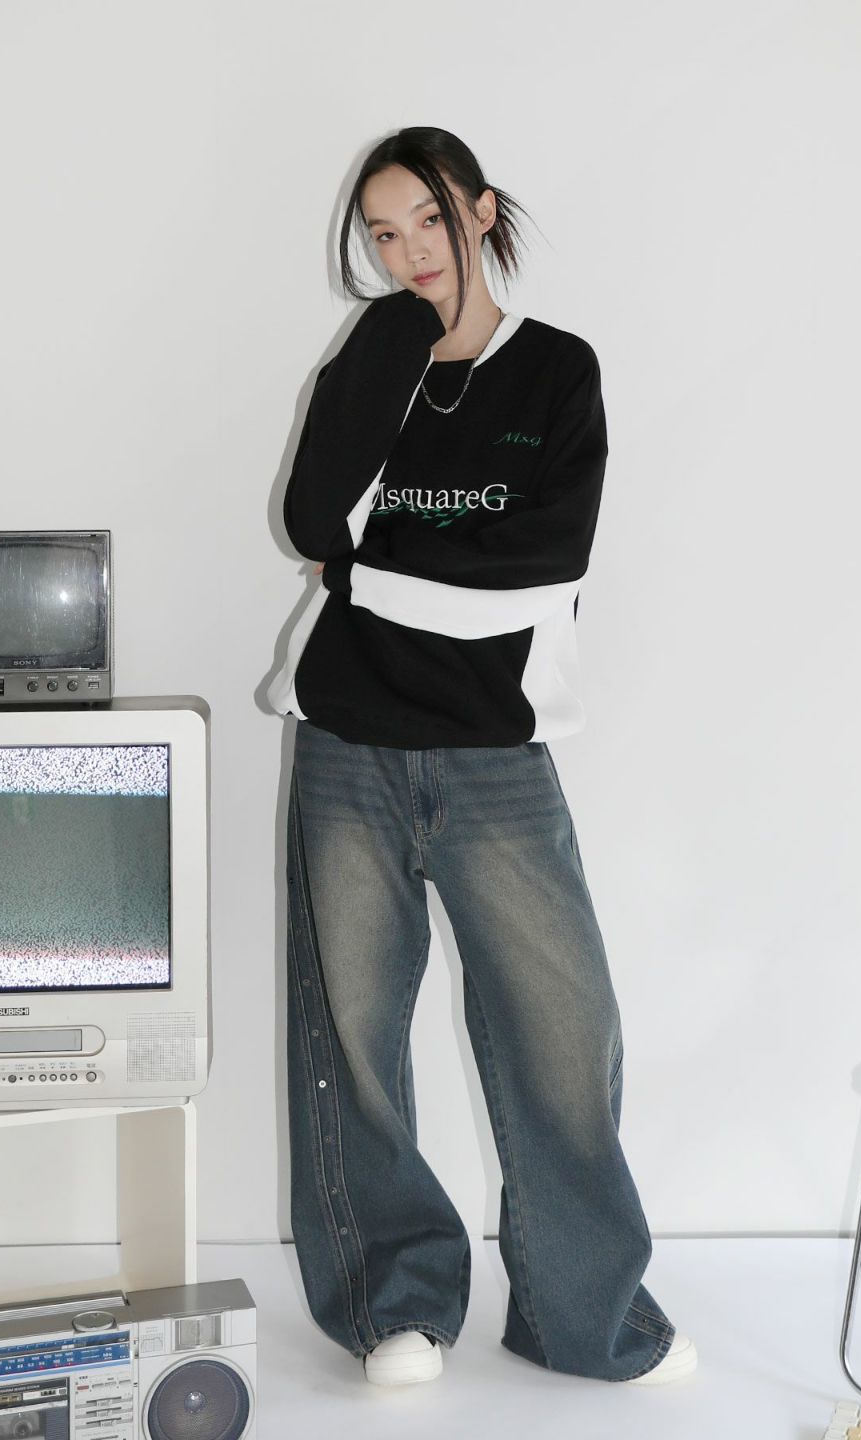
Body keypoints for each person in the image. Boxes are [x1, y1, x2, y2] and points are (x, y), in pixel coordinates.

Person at [267, 126, 694, 1389]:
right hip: (347, 742)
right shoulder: (377, 353)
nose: (409, 252)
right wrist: (393, 349)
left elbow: (542, 565)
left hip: (497, 758)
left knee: (565, 1033)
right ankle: (394, 1304)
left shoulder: (557, 369)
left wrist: (370, 568)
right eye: (382, 234)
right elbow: (308, 520)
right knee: (353, 1040)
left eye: (428, 221)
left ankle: (582, 1314)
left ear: (481, 210)